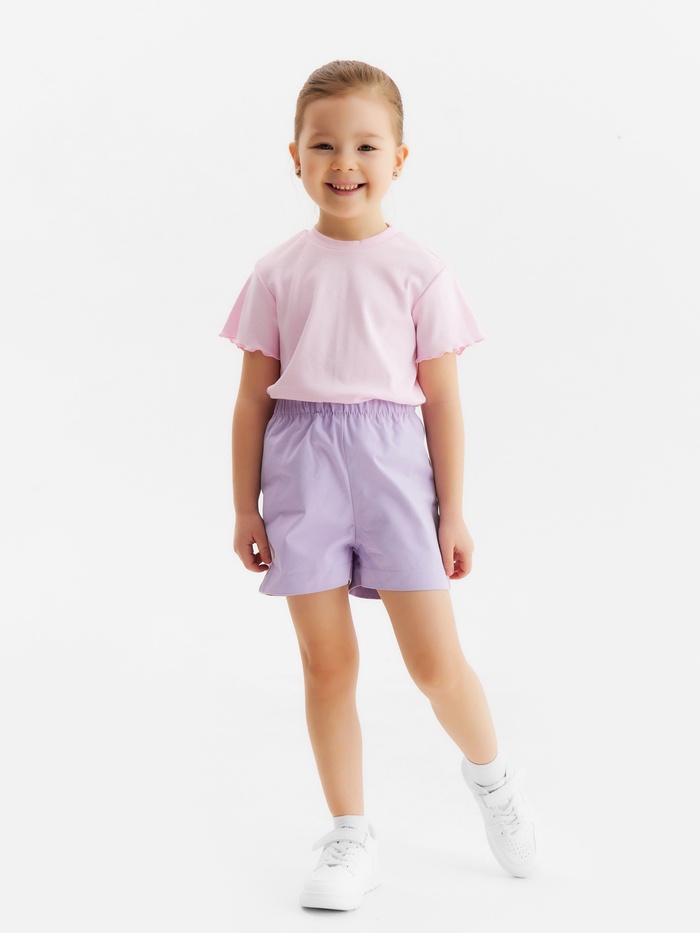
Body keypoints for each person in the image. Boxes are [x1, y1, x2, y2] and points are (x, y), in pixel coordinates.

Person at [220, 60, 539, 912]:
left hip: (396, 465)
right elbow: (252, 399)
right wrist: (245, 503)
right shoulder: (277, 272)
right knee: (328, 665)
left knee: (435, 663)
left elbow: (444, 400)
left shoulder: (421, 271)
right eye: (324, 144)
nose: (345, 162)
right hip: (303, 465)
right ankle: (350, 832)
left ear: (399, 157)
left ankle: (494, 779)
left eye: (366, 145)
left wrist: (454, 510)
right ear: (295, 155)